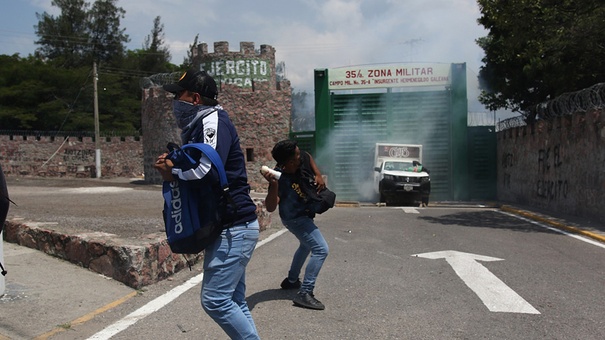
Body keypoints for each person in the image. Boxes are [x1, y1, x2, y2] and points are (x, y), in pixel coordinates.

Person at [154, 70, 261, 339]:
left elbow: (208, 170)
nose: (176, 100)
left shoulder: (212, 121)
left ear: (196, 98)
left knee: (215, 300)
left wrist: (172, 173)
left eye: (179, 94)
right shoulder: (198, 126)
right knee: (235, 301)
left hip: (234, 226)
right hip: (229, 225)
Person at [262, 140, 329, 310]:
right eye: (297, 155)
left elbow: (307, 156)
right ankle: (305, 293)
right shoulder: (279, 178)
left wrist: (318, 174)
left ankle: (291, 281)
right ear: (290, 161)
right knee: (321, 249)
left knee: (306, 246)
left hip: (305, 213)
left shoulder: (301, 159)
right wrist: (273, 185)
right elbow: (270, 207)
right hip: (294, 219)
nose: (302, 156)